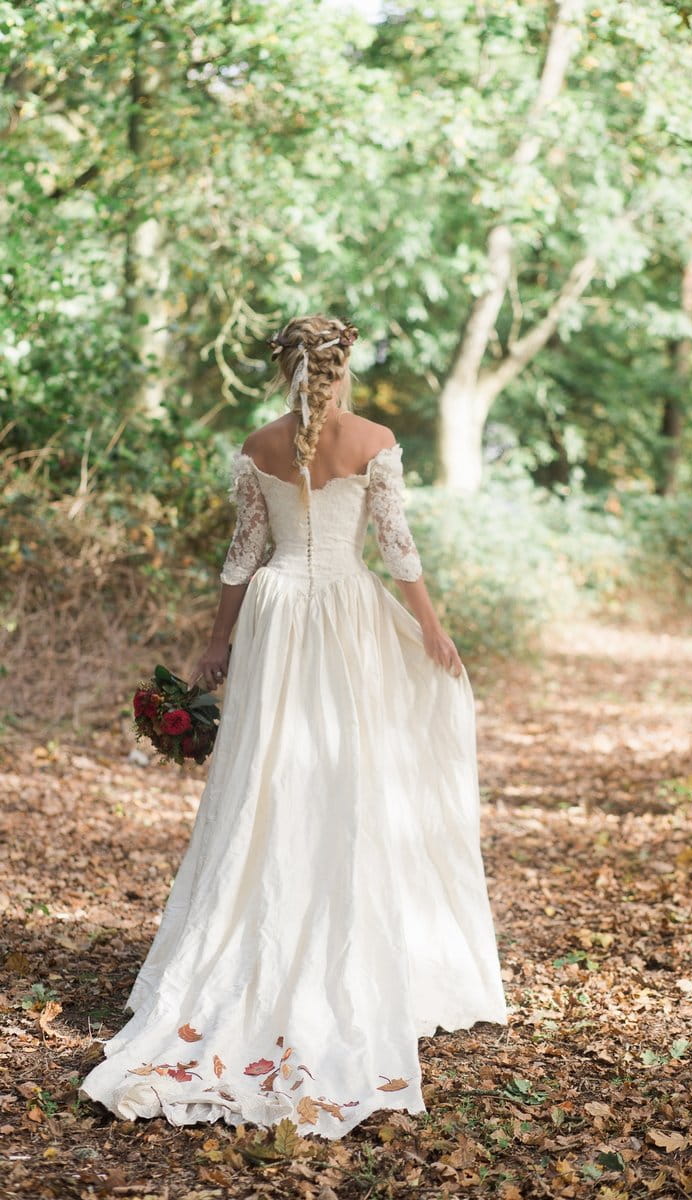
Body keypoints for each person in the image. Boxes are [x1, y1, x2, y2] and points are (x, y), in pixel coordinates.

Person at [78, 313, 508, 1139]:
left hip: (278, 613)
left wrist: (216, 641)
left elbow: (244, 553)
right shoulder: (375, 438)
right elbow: (397, 547)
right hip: (342, 610)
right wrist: (430, 626)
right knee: (345, 768)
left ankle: (249, 934)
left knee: (269, 772)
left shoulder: (259, 442)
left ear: (284, 367)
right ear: (342, 368)